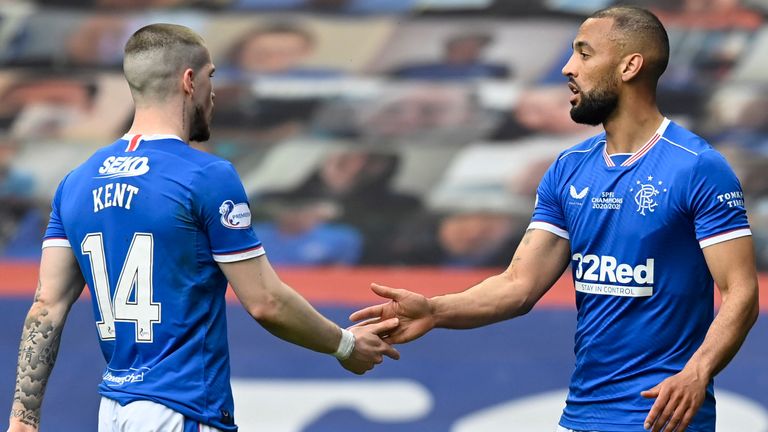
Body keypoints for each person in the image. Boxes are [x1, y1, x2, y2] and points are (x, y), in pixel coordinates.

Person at [351, 6, 759, 432]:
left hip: (665, 417)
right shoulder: (568, 167)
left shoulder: (696, 167)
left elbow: (741, 292)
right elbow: (518, 286)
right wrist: (435, 310)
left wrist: (698, 372)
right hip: (585, 414)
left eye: (584, 54)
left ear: (630, 66)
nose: (568, 68)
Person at [6, 23, 399, 432]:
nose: (213, 93)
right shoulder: (206, 176)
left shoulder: (76, 182)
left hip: (116, 411)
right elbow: (266, 302)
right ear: (189, 80)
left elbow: (45, 305)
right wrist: (345, 345)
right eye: (211, 76)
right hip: (182, 408)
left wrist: (23, 418)